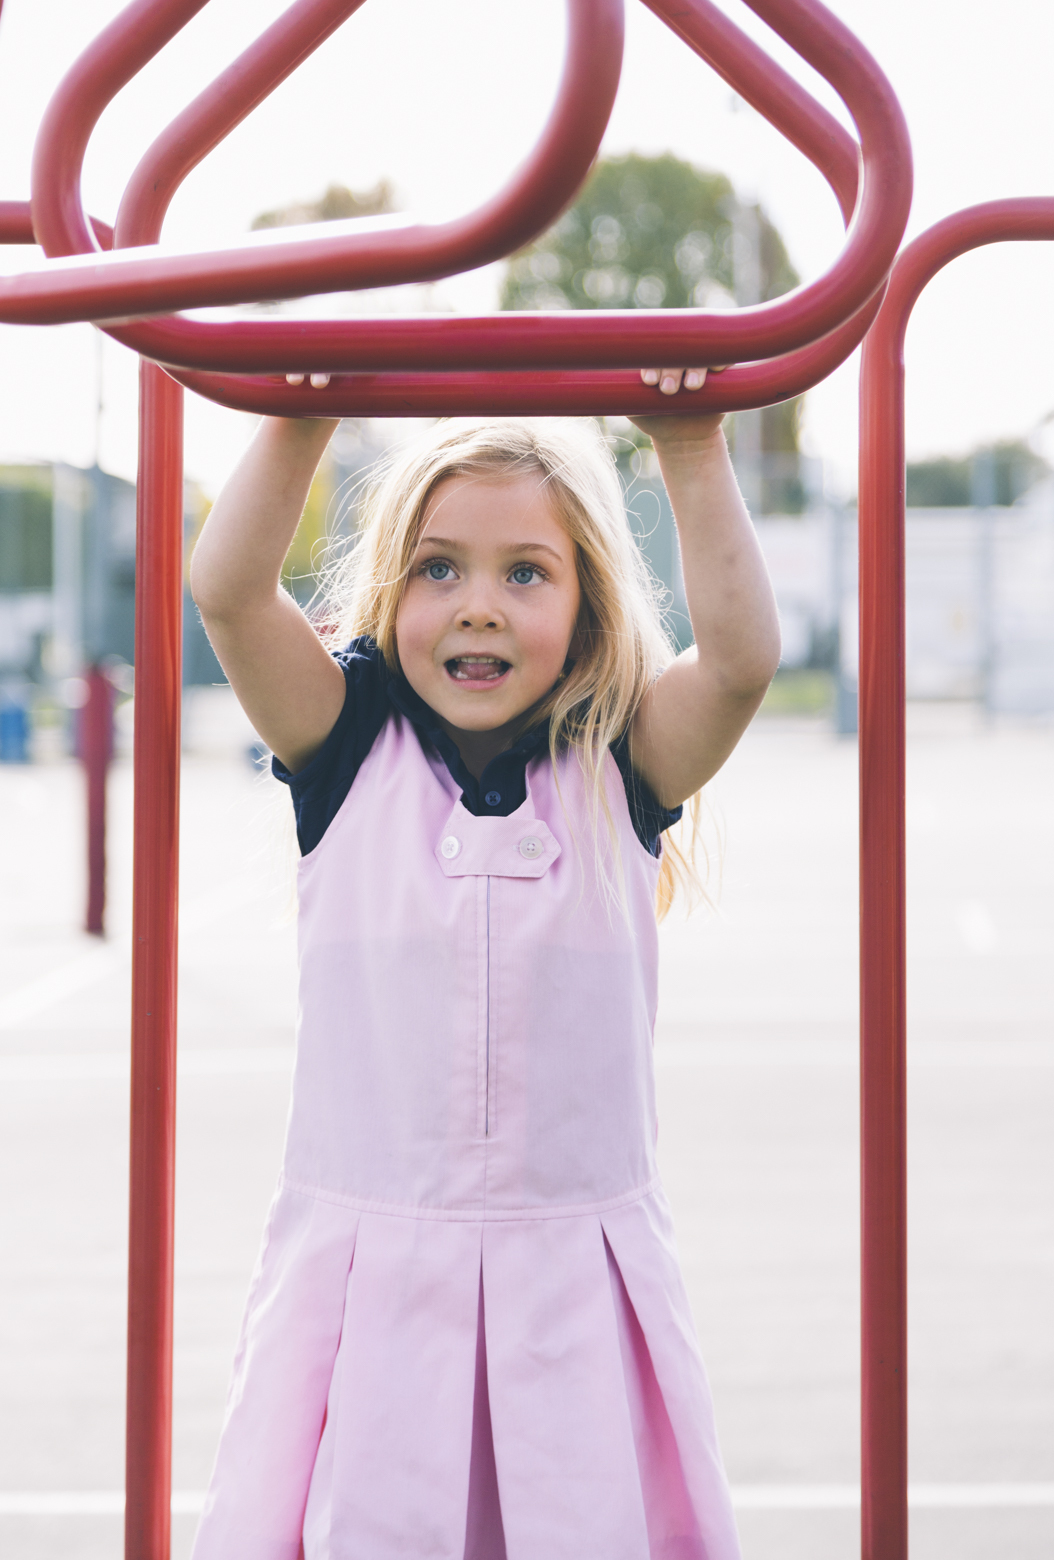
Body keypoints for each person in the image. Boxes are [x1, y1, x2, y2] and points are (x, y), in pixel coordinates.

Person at [188, 371, 781, 1560]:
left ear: (586, 604)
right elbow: (231, 594)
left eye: (526, 573)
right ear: (393, 590)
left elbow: (737, 664)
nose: (478, 607)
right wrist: (301, 416)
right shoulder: (343, 744)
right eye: (439, 568)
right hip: (375, 1285)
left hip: (571, 1280)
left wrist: (693, 447)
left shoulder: (619, 762)